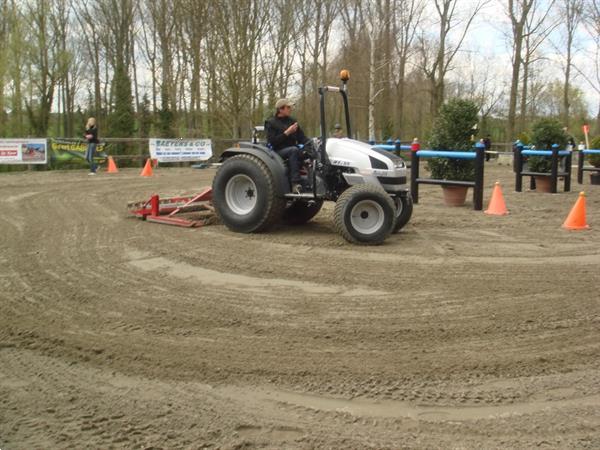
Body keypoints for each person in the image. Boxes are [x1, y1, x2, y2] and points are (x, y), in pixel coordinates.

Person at [265, 98, 308, 193]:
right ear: (280, 109)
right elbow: (272, 142)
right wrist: (287, 133)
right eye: (288, 107)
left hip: (293, 149)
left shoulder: (292, 121)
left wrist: (311, 143)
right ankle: (295, 184)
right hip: (278, 151)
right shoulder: (271, 123)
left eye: (290, 107)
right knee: (293, 150)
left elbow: (302, 138)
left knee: (308, 150)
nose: (290, 109)